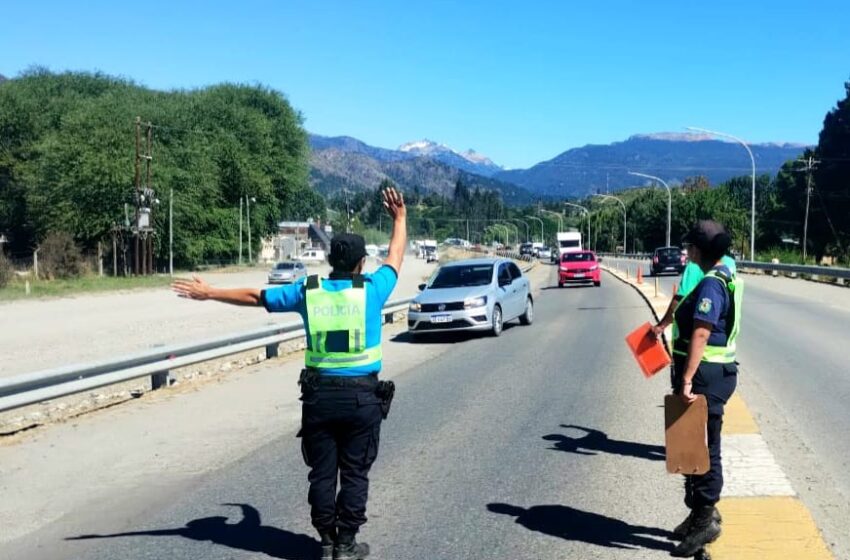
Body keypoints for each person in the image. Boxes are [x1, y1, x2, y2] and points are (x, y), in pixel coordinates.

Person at [172, 187, 407, 560]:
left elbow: (256, 297)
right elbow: (395, 255)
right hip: (363, 397)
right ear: (362, 263)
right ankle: (346, 544)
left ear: (330, 260)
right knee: (355, 472)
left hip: (320, 398)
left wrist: (210, 292)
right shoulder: (373, 289)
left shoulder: (308, 291)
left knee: (322, 472)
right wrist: (399, 218)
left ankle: (327, 538)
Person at [656, 221, 744, 558]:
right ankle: (697, 513)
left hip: (706, 376)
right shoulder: (726, 274)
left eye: (689, 247)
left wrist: (688, 379)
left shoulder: (710, 283)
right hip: (713, 372)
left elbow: (702, 333)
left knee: (705, 447)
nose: (686, 251)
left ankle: (706, 517)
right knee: (691, 443)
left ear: (697, 250)